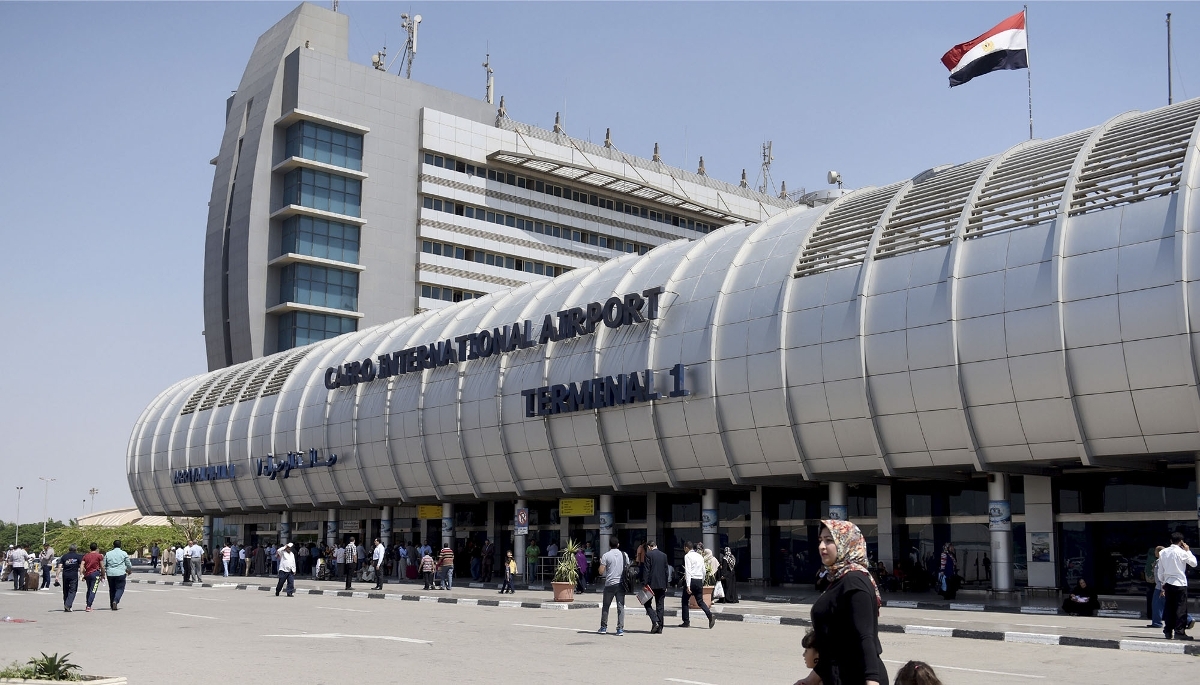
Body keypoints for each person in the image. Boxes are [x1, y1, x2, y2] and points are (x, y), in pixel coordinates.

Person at [794, 520, 886, 685]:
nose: (822, 546)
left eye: (829, 540)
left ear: (846, 543)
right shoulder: (838, 579)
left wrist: (872, 680)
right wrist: (811, 680)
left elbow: (865, 637)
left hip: (856, 677)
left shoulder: (854, 581)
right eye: (820, 541)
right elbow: (834, 646)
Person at [1159, 532, 1197, 640]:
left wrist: (1163, 583)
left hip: (1168, 582)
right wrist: (1188, 551)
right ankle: (1179, 632)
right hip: (1180, 583)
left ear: (1171, 541)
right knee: (1180, 609)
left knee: (1169, 608)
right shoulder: (1182, 552)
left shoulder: (1163, 552)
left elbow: (1160, 571)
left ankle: (1168, 631)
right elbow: (1194, 563)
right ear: (1181, 542)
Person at [680, 541, 714, 629]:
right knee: (700, 601)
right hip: (699, 580)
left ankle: (686, 621)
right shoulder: (700, 556)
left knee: (684, 601)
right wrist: (702, 581)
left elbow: (688, 571)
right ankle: (709, 615)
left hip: (691, 580)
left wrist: (688, 585)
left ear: (686, 548)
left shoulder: (687, 556)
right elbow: (704, 570)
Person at [596, 536, 626, 635]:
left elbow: (601, 572)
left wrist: (601, 563)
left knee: (606, 606)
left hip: (609, 584)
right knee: (620, 607)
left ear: (609, 545)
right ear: (618, 545)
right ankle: (620, 629)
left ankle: (603, 627)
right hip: (621, 584)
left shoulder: (606, 555)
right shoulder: (624, 555)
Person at [642, 539, 669, 633]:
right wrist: (666, 585)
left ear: (649, 547)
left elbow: (646, 570)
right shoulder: (664, 555)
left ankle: (655, 620)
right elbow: (666, 571)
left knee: (646, 603)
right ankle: (660, 628)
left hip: (651, 584)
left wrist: (644, 584)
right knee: (660, 606)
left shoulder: (648, 555)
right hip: (662, 584)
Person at [103, 539, 133, 611]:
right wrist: (129, 570)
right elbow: (128, 564)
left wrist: (103, 573)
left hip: (110, 574)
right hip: (121, 573)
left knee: (112, 589)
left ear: (113, 545)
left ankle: (112, 604)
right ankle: (115, 601)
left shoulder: (108, 553)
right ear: (120, 545)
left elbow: (104, 564)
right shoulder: (124, 553)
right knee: (120, 588)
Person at [54, 544, 84, 612]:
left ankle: (66, 606)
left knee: (66, 590)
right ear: (76, 549)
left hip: (65, 575)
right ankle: (68, 605)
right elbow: (81, 566)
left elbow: (59, 567)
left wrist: (57, 576)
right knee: (73, 590)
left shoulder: (64, 556)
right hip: (73, 576)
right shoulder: (78, 556)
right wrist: (81, 574)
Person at [81, 542, 104, 612]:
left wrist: (82, 573)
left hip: (88, 574)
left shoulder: (86, 556)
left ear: (90, 548)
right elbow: (102, 566)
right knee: (93, 590)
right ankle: (89, 606)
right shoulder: (99, 556)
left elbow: (82, 565)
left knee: (89, 589)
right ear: (96, 548)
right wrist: (103, 574)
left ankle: (87, 603)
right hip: (95, 574)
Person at [1148, 546, 1167, 628]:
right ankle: (1188, 619)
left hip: (1160, 587)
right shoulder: (1165, 561)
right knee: (1172, 605)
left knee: (1157, 605)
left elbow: (1162, 575)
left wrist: (1162, 589)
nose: (1154, 553)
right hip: (1164, 586)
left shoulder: (1160, 562)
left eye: (1156, 551)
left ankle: (1157, 622)